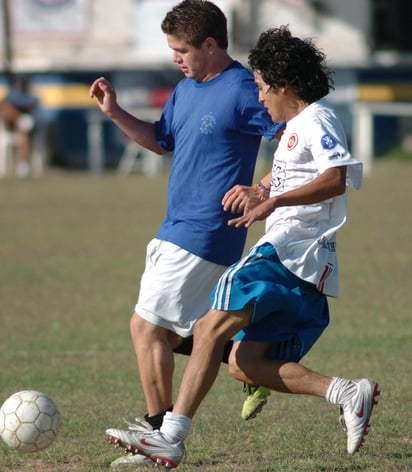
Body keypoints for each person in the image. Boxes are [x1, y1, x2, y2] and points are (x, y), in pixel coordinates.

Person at [105, 26, 380, 469]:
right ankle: (346, 391)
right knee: (243, 362)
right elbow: (296, 174)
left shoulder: (317, 118)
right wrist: (261, 188)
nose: (259, 96)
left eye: (261, 86)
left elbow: (336, 177)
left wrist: (274, 201)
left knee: (210, 328)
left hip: (288, 251)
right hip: (307, 266)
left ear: (283, 85)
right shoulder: (295, 127)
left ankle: (168, 436)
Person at [89, 1, 283, 467]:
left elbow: (293, 139)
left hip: (207, 232)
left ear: (211, 45)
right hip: (174, 227)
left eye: (182, 50)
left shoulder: (241, 89)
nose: (175, 57)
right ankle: (247, 360)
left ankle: (159, 436)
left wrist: (260, 189)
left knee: (146, 327)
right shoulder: (184, 88)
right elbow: (161, 141)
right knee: (181, 334)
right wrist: (115, 112)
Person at [0, 75, 39, 178]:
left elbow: (34, 107)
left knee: (23, 132)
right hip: (11, 125)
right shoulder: (12, 95)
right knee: (6, 108)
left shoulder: (32, 96)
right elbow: (3, 107)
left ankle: (23, 165)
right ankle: (20, 119)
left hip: (26, 128)